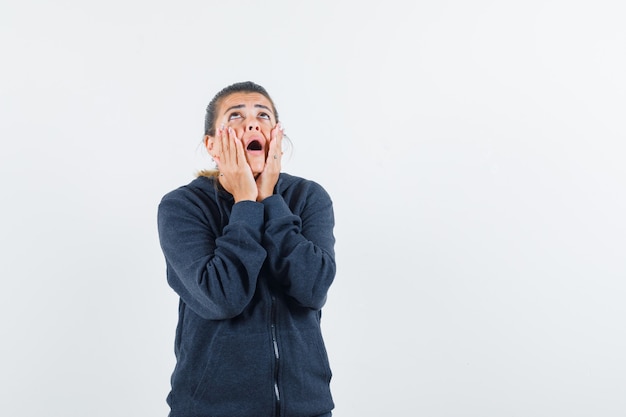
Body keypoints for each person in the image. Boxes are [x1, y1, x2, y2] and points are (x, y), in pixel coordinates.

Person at [157, 81, 336, 417]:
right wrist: (245, 203)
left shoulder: (309, 198)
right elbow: (222, 297)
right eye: (235, 115)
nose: (252, 123)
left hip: (307, 409)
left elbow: (312, 288)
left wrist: (270, 201)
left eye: (263, 115)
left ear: (277, 139)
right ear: (212, 144)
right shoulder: (182, 206)